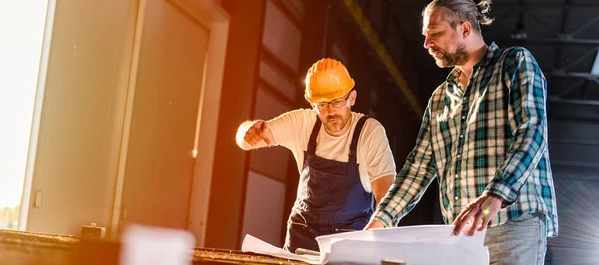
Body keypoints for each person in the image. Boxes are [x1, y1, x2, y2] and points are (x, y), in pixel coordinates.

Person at [364, 1, 558, 264]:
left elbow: (531, 132)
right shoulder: (441, 97)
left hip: (512, 227)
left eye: (435, 33)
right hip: (460, 237)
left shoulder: (514, 64)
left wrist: (496, 195)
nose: (427, 43)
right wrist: (381, 220)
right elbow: (419, 167)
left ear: (465, 29)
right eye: (425, 35)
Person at [236, 58, 396, 253]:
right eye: (322, 105)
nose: (330, 111)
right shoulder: (302, 123)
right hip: (301, 240)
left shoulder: (370, 133)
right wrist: (248, 130)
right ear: (312, 104)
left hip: (349, 243)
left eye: (337, 102)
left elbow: (388, 198)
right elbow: (246, 142)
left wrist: (377, 245)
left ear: (351, 98)